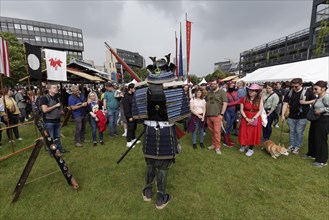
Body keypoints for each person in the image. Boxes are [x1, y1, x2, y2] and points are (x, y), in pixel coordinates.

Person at [281, 78, 316, 155]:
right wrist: (283, 115)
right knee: (292, 131)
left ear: (301, 85)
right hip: (291, 116)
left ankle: (297, 146)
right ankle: (292, 145)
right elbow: (285, 103)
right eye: (292, 86)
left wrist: (306, 102)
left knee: (299, 131)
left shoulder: (307, 92)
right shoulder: (289, 93)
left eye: (296, 86)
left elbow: (315, 100)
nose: (294, 88)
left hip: (303, 116)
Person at [304, 80, 329, 167]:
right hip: (316, 119)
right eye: (313, 88)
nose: (314, 91)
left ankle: (322, 161)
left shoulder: (326, 97)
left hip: (324, 120)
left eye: (316, 89)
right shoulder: (319, 97)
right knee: (312, 137)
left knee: (320, 140)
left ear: (323, 89)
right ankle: (311, 154)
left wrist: (322, 110)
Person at [40, 83, 68, 154]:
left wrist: (62, 111)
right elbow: (45, 110)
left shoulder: (57, 98)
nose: (56, 89)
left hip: (57, 120)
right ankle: (52, 152)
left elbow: (60, 109)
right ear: (49, 89)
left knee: (57, 137)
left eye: (57, 87)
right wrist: (55, 106)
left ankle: (59, 150)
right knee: (50, 138)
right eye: (54, 87)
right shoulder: (44, 98)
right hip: (49, 121)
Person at [238, 83, 263, 157]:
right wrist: (246, 118)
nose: (250, 92)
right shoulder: (244, 98)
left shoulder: (259, 99)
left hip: (255, 117)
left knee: (253, 134)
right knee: (244, 132)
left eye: (252, 91)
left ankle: (251, 149)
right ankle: (244, 144)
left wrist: (254, 118)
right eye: (249, 90)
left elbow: (260, 110)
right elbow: (241, 110)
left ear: (256, 92)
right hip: (245, 117)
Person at [206, 79, 228, 155]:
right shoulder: (209, 92)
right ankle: (213, 144)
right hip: (209, 115)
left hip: (217, 115)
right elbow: (206, 102)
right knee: (212, 131)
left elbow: (225, 103)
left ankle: (217, 147)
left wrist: (221, 114)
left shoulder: (222, 92)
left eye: (214, 84)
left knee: (217, 132)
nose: (212, 85)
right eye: (211, 84)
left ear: (218, 84)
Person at [122, 83, 141, 148]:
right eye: (134, 88)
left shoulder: (133, 95)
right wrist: (129, 116)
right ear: (130, 89)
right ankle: (128, 142)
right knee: (130, 128)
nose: (135, 90)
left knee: (134, 127)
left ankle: (133, 139)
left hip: (134, 114)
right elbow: (126, 108)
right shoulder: (126, 97)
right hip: (130, 115)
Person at [223, 81, 239, 147]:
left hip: (234, 111)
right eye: (231, 85)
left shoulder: (236, 93)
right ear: (228, 86)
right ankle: (225, 140)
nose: (232, 86)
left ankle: (228, 138)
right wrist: (235, 103)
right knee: (228, 125)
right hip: (228, 111)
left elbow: (238, 100)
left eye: (233, 85)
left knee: (230, 125)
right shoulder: (226, 94)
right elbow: (225, 104)